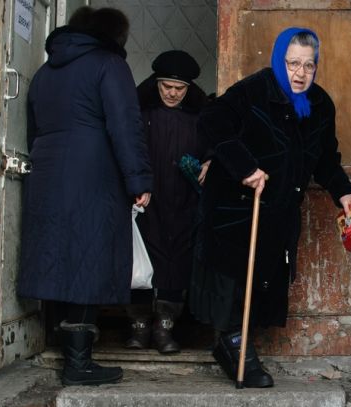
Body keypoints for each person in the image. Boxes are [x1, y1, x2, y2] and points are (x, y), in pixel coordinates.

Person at [190, 27, 351, 388]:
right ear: (278, 60)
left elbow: (325, 159)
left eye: (309, 65)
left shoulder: (320, 105)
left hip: (278, 210)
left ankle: (235, 343)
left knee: (261, 281)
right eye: (292, 63)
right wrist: (245, 167)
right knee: (233, 280)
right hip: (237, 206)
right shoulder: (253, 91)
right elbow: (211, 121)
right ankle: (234, 347)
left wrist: (343, 192)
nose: (300, 73)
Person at [17, 6, 153, 386]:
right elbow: (125, 126)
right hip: (93, 173)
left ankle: (69, 353)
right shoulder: (109, 65)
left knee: (61, 258)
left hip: (48, 172)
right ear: (114, 35)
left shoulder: (45, 72)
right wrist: (139, 180)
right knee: (89, 260)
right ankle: (78, 364)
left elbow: (34, 129)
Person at [124, 50, 210, 353]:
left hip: (184, 202)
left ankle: (165, 328)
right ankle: (138, 326)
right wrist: (137, 186)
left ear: (189, 89)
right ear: (156, 84)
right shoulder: (141, 114)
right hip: (147, 200)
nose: (172, 93)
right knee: (141, 263)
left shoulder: (200, 118)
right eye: (166, 86)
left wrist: (210, 160)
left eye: (179, 88)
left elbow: (216, 145)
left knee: (176, 263)